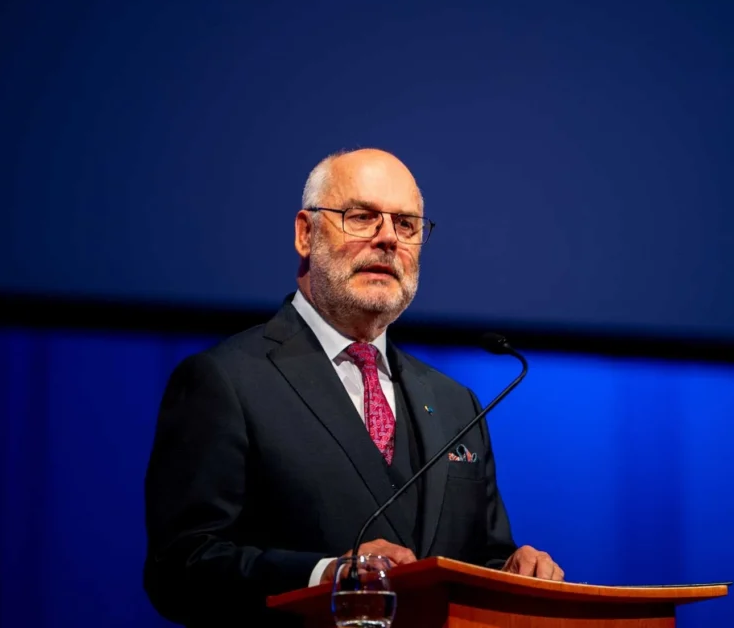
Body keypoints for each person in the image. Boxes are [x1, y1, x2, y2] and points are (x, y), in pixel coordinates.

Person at [143, 148, 562, 626]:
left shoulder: (455, 404)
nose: (387, 238)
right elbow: (180, 567)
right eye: (361, 217)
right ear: (306, 234)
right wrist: (326, 575)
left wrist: (512, 573)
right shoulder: (225, 381)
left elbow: (479, 557)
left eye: (406, 224)